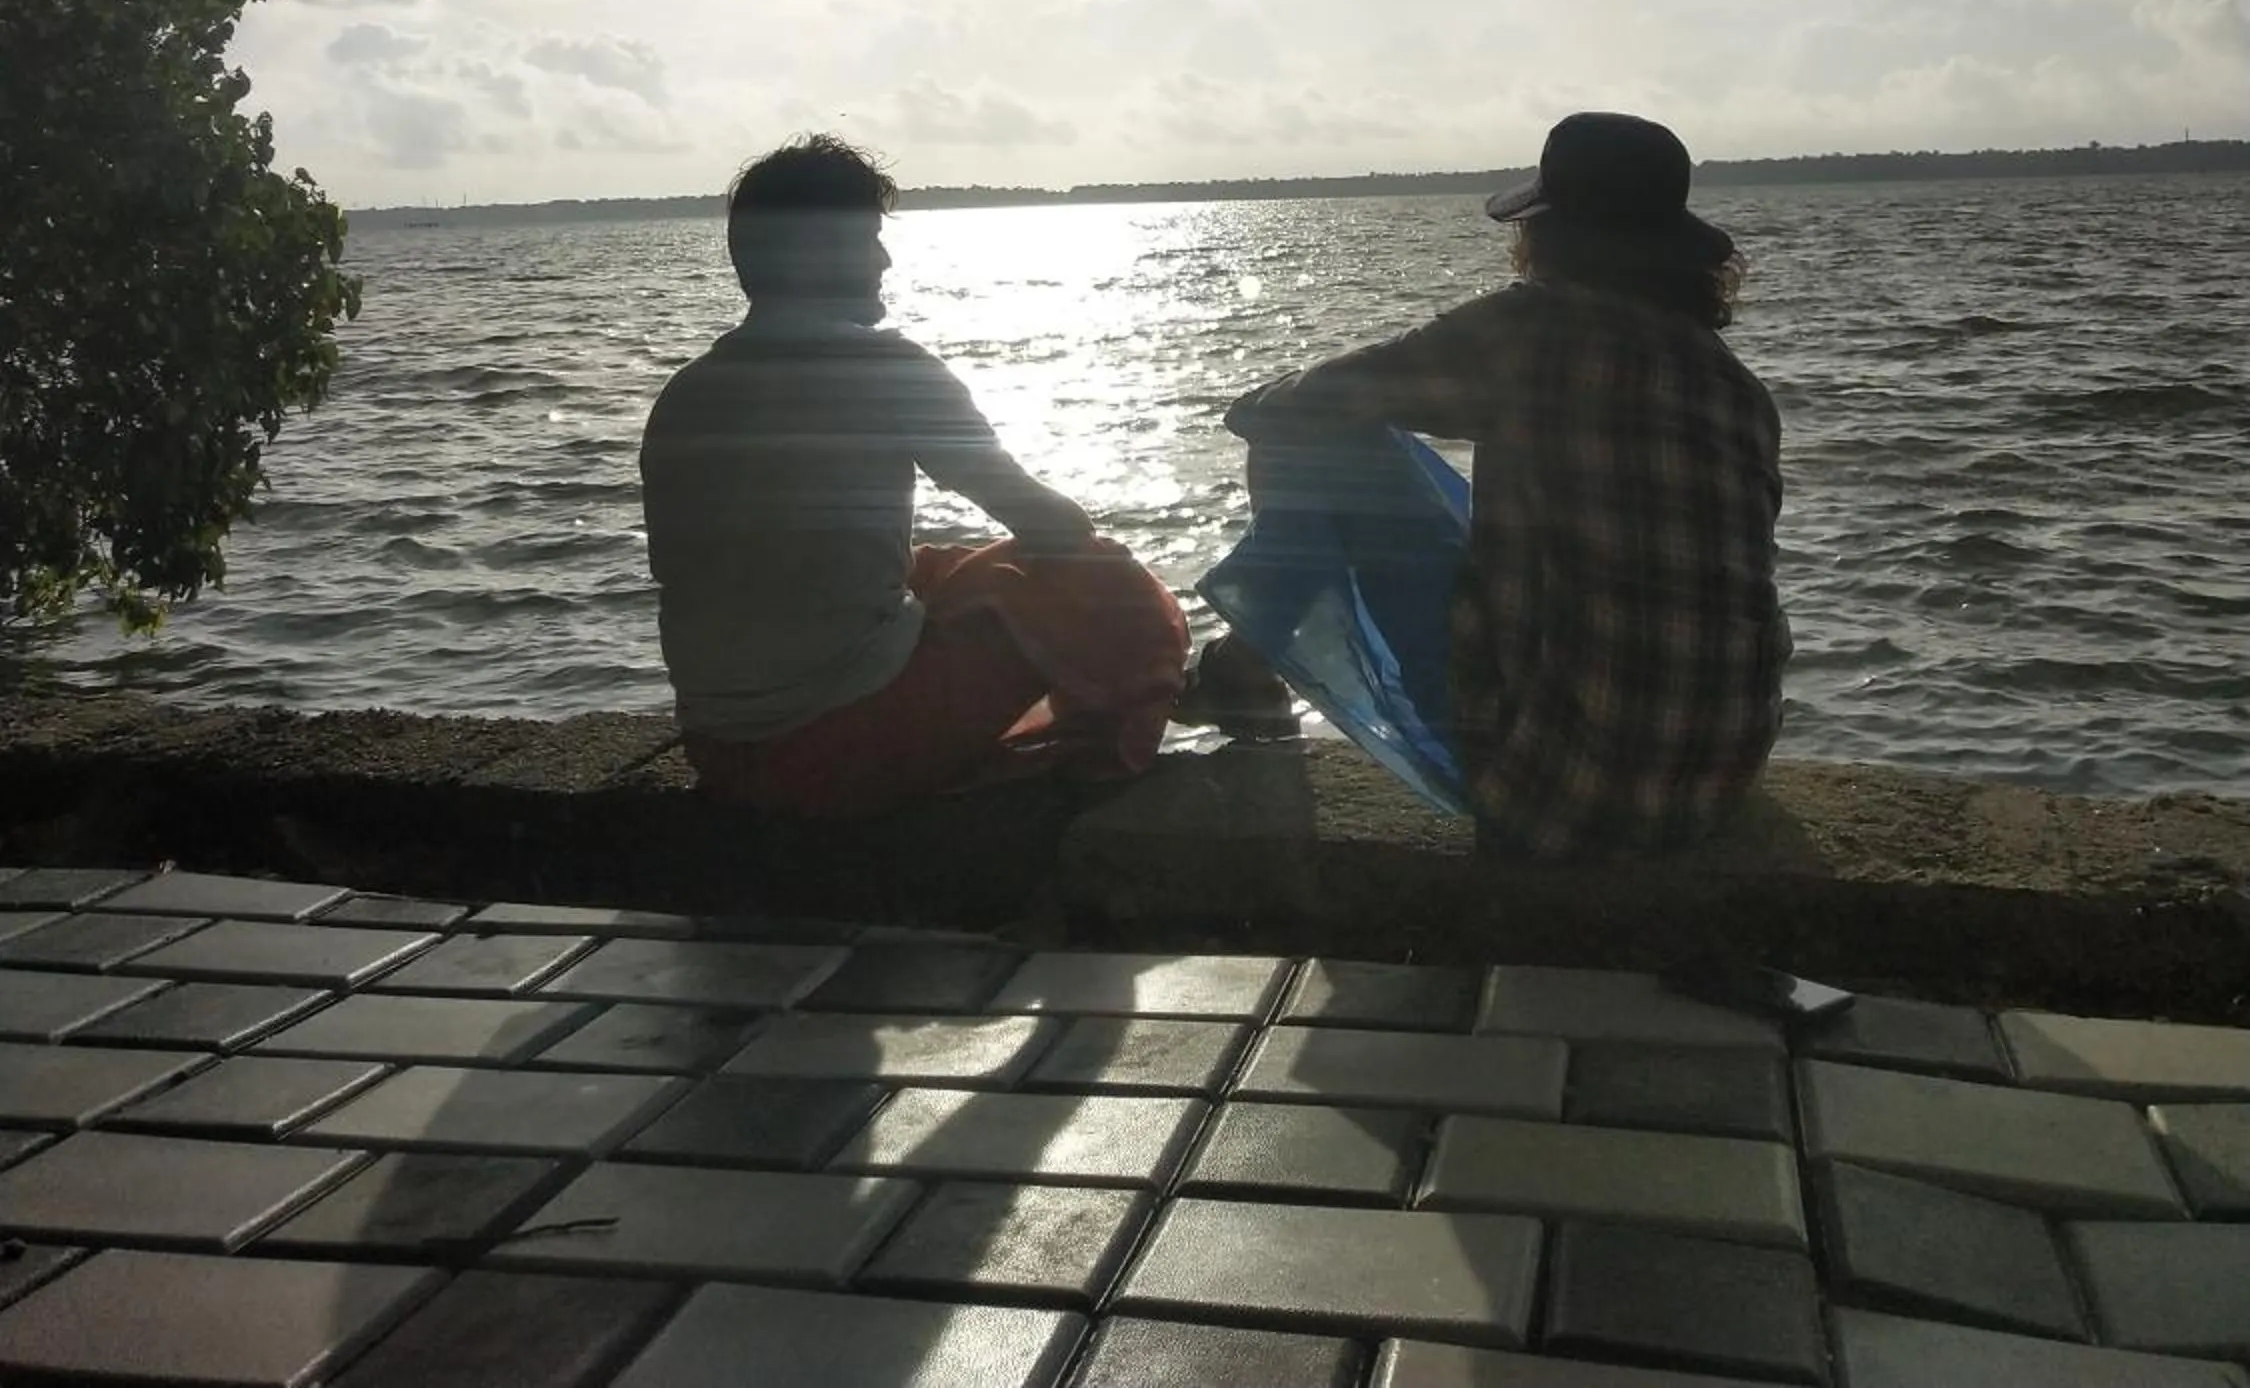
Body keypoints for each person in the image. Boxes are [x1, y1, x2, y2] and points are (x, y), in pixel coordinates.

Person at [1224, 112, 1788, 856]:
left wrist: (1259, 409)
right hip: (1718, 773)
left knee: (1314, 439)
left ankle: (1242, 672)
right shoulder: (1732, 383)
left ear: (1548, 232)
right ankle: (1242, 669)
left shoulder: (1525, 332)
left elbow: (1285, 409)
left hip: (1558, 789)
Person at [640, 133, 1189, 817]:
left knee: (939, 567)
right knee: (1106, 580)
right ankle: (1109, 758)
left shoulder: (688, 390)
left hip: (719, 751)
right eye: (867, 239)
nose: (884, 259)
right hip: (836, 754)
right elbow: (1054, 527)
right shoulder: (883, 368)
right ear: (816, 253)